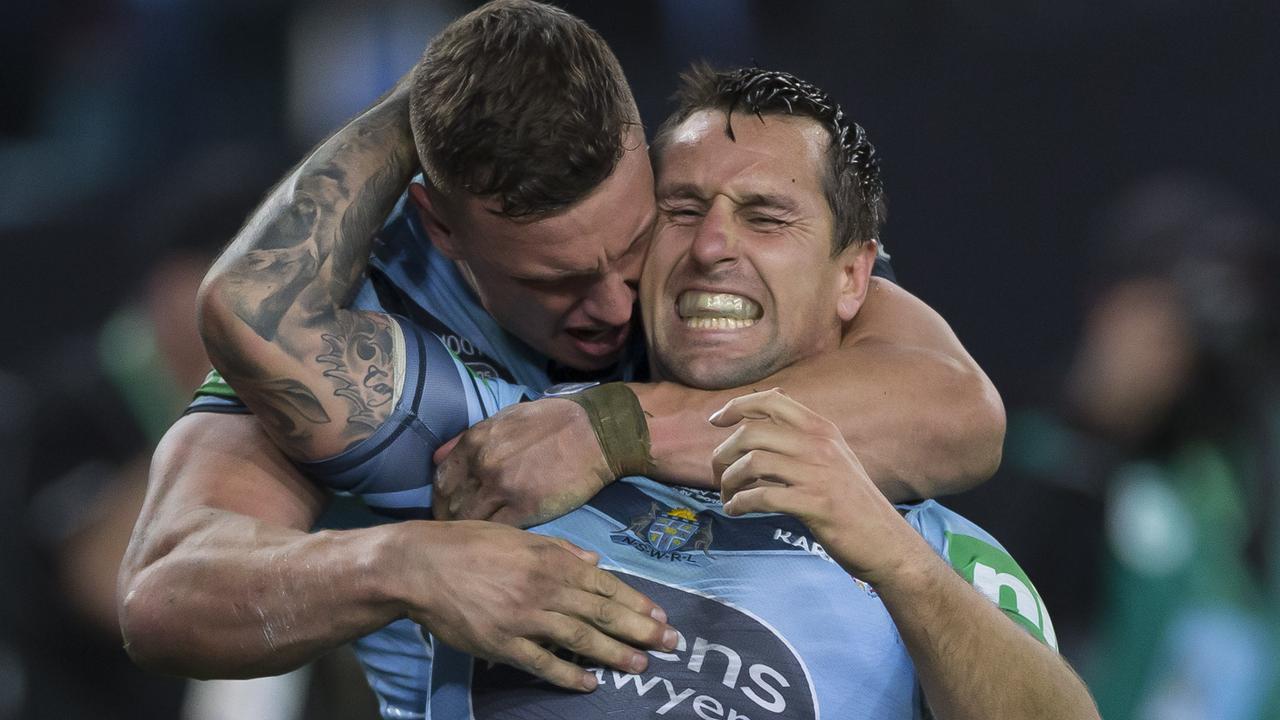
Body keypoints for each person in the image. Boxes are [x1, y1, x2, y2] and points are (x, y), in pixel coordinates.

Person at [119, 0, 1005, 711]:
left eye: (631, 246)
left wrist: (612, 424)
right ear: (444, 227)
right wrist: (400, 566)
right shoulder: (352, 332)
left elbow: (959, 411)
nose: (616, 306)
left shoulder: (704, 241)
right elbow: (163, 595)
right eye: (556, 282)